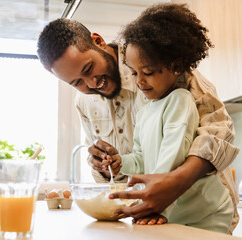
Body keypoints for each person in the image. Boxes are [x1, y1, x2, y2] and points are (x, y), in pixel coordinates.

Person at [37, 3, 240, 233]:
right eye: (77, 83)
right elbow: (135, 164)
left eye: (89, 68)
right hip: (155, 218)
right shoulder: (85, 103)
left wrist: (171, 185)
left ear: (98, 41)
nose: (92, 83)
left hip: (202, 213)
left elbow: (219, 131)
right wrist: (108, 166)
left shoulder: (157, 61)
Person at [96, 3, 234, 233]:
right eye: (133, 72)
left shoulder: (180, 100)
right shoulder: (146, 111)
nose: (139, 81)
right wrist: (122, 162)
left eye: (148, 72)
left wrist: (152, 206)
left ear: (176, 66)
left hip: (205, 214)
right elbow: (142, 158)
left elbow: (173, 155)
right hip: (176, 213)